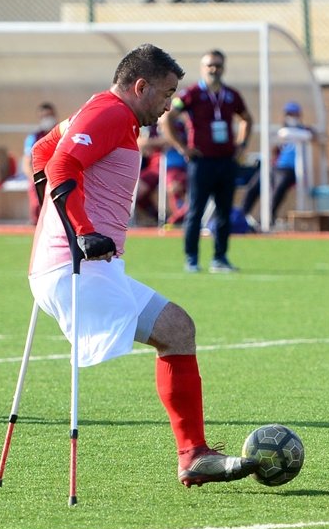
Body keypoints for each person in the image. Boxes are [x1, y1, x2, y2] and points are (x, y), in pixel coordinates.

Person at [28, 42, 258, 487]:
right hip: (76, 267)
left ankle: (194, 455)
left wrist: (58, 219)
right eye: (166, 93)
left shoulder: (99, 111)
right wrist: (77, 228)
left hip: (83, 265)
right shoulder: (111, 113)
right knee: (175, 331)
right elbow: (61, 163)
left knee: (177, 328)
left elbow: (41, 152)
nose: (169, 104)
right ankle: (192, 455)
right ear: (140, 85)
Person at [159, 49, 253, 273]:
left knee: (224, 212)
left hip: (226, 161)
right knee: (196, 211)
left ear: (224, 68)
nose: (214, 69)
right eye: (210, 65)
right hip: (202, 162)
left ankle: (220, 258)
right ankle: (191, 259)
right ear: (203, 68)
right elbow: (167, 118)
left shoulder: (231, 95)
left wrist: (241, 146)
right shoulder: (192, 94)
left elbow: (247, 119)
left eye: (218, 65)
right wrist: (182, 147)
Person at [239, 100, 314, 228]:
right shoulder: (282, 131)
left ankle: (267, 218)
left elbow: (311, 136)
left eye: (294, 114)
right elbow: (275, 149)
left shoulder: (304, 130)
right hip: (277, 167)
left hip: (290, 170)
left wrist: (289, 133)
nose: (291, 116)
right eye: (289, 114)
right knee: (255, 184)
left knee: (278, 188)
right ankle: (241, 215)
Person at [24, 102, 58, 225]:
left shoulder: (62, 133)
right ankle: (36, 223)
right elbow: (27, 160)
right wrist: (33, 177)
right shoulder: (34, 137)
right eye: (44, 116)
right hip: (40, 175)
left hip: (57, 174)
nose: (47, 119)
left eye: (49, 115)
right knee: (36, 197)